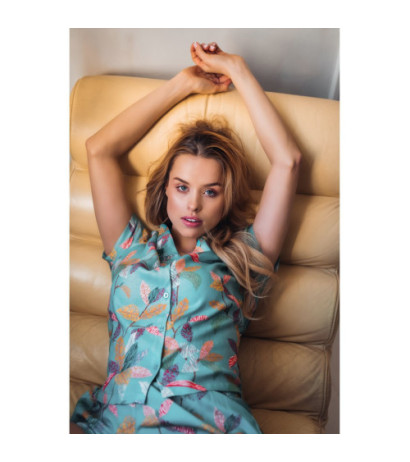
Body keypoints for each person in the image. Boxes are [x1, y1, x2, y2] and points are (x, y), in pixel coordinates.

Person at [70, 41, 301, 434]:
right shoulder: (129, 249)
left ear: (226, 199)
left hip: (206, 426)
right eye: (182, 187)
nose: (193, 204)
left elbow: (287, 161)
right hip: (116, 423)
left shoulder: (243, 259)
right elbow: (99, 150)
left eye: (210, 191)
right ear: (165, 189)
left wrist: (237, 69)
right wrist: (183, 83)